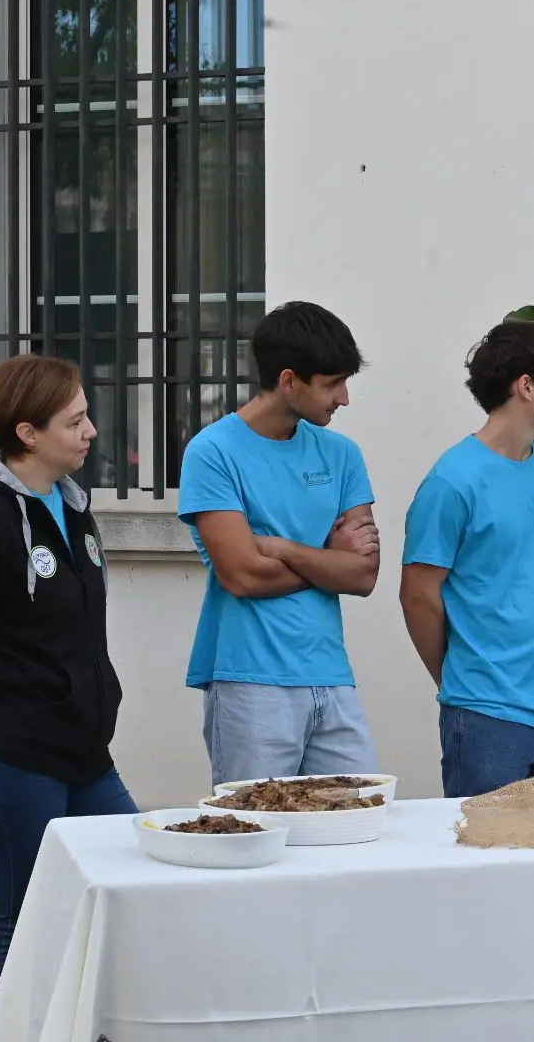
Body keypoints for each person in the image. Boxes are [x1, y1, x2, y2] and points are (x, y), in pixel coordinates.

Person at [0, 354, 136, 1025]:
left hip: (80, 751)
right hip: (6, 756)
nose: (91, 431)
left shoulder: (71, 510)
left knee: (126, 878)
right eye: (74, 420)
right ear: (27, 433)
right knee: (17, 919)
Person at [179, 301, 381, 788]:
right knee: (255, 837)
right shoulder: (212, 452)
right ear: (289, 380)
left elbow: (363, 575)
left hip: (332, 676)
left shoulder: (342, 453)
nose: (345, 399)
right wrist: (328, 556)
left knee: (357, 833)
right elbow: (243, 576)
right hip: (251, 681)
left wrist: (285, 549)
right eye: (332, 384)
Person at [399, 320, 534, 797]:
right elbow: (418, 596)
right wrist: (459, 680)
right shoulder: (452, 481)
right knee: (485, 865)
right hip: (488, 713)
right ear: (526, 386)